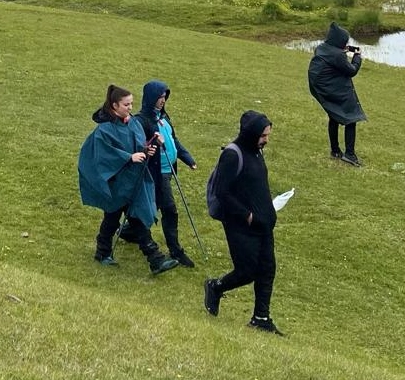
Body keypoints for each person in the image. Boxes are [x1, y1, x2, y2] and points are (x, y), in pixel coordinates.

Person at [77, 84, 181, 275]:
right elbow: (104, 155)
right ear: (114, 105)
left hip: (132, 180)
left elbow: (138, 145)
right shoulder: (104, 130)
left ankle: (108, 252)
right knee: (119, 217)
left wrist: (147, 149)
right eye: (126, 105)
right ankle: (153, 258)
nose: (130, 108)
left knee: (121, 217)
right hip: (116, 182)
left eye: (131, 104)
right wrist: (128, 157)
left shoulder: (132, 122)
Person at [204, 110, 282, 334]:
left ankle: (261, 318)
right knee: (247, 271)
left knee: (267, 269)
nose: (266, 140)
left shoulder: (256, 152)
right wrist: (247, 216)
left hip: (263, 224)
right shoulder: (232, 155)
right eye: (263, 135)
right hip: (241, 225)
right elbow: (222, 192)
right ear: (251, 134)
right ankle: (216, 287)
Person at [133, 80, 198, 267]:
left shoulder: (164, 117)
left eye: (164, 97)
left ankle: (130, 230)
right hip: (156, 172)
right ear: (151, 97)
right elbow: (139, 146)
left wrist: (188, 159)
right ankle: (175, 250)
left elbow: (173, 140)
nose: (163, 100)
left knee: (153, 205)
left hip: (168, 170)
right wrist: (152, 144)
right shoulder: (141, 121)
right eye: (159, 97)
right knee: (169, 209)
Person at [309, 22, 366, 166]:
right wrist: (357, 57)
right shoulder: (337, 55)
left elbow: (332, 59)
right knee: (351, 118)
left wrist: (343, 50)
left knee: (333, 116)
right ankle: (350, 155)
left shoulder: (321, 48)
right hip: (334, 88)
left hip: (323, 88)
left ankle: (335, 151)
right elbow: (351, 71)